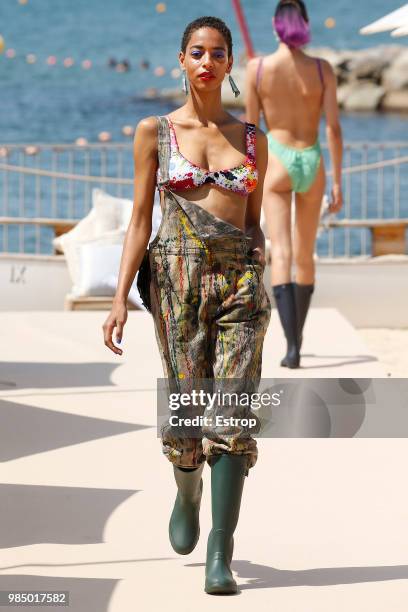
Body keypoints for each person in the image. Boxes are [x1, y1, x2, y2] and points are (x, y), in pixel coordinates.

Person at [102, 16, 271, 595]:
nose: (207, 61)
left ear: (228, 66)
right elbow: (139, 221)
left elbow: (254, 225)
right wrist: (120, 295)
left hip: (241, 289)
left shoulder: (252, 139)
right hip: (176, 286)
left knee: (233, 414)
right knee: (187, 414)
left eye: (217, 53)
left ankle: (220, 554)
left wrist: (261, 264)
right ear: (181, 60)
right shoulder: (156, 132)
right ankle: (187, 485)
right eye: (197, 52)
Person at [245, 0, 343, 368]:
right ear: (304, 23)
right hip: (312, 159)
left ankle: (292, 348)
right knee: (305, 254)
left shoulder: (258, 69)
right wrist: (338, 180)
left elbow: (251, 131)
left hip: (280, 160)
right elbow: (333, 128)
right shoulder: (322, 70)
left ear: (275, 25)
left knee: (281, 253)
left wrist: (249, 179)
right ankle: (298, 338)